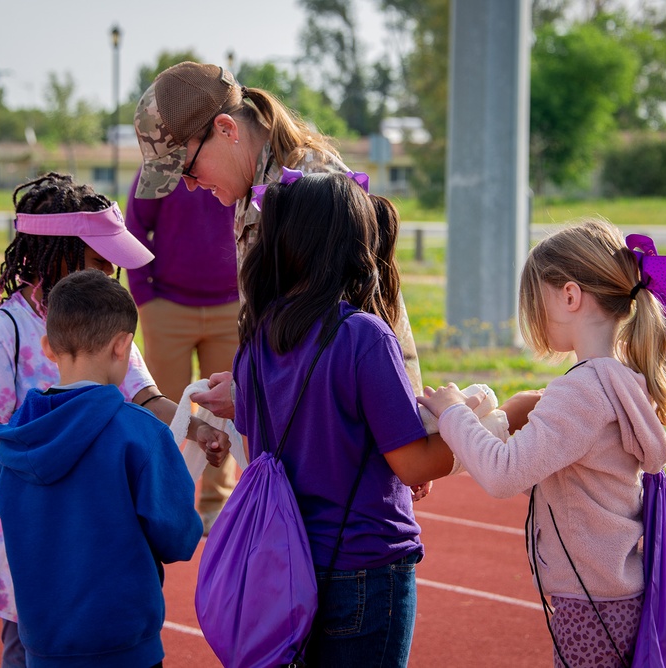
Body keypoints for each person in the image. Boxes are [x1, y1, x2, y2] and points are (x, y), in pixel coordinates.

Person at [0, 172, 225, 667]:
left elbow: (147, 399)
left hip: (99, 539)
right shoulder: (2, 332)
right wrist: (83, 439)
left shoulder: (100, 320)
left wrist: (197, 426)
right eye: (99, 261)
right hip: (34, 549)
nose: (108, 274)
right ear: (55, 251)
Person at [231, 171, 483, 666]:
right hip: (366, 566)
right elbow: (412, 466)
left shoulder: (257, 335)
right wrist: (464, 418)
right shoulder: (363, 335)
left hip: (287, 563)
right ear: (352, 244)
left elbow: (255, 441)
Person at [418, 219, 666, 668]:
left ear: (569, 296)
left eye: (535, 301)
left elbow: (504, 476)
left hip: (589, 603)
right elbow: (561, 480)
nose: (534, 316)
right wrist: (501, 426)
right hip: (613, 595)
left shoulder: (580, 390)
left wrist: (453, 413)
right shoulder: (619, 382)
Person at [132, 60, 424, 421]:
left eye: (188, 170)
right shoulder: (250, 189)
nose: (190, 185)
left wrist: (248, 395)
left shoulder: (309, 185)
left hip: (337, 430)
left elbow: (342, 340)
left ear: (225, 129)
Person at [0, 268, 203, 667]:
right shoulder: (141, 434)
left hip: (43, 647)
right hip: (124, 648)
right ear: (123, 346)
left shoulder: (14, 438)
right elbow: (180, 539)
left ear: (49, 347)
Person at [125, 166, 239, 534]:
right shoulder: (159, 166)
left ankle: (216, 507)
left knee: (226, 412)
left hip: (231, 306)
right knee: (164, 412)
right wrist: (145, 296)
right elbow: (135, 225)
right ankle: (163, 504)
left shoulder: (237, 159)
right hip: (167, 306)